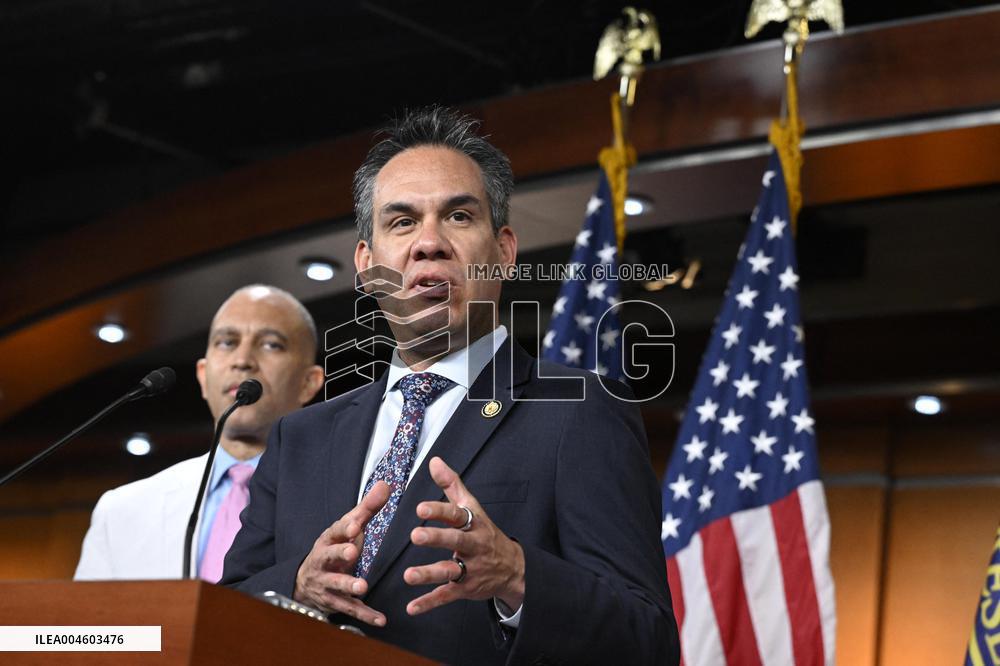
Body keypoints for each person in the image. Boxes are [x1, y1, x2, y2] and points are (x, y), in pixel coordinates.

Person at [222, 107, 680, 665]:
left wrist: (518, 577)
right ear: (367, 267)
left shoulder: (579, 412)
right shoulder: (301, 436)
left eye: (459, 217)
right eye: (401, 221)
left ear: (504, 253)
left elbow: (649, 639)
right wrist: (297, 585)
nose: (429, 243)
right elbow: (226, 611)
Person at [74, 285, 324, 581]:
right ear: (203, 377)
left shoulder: (340, 504)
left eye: (271, 345)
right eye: (227, 342)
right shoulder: (121, 511)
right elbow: (86, 626)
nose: (242, 360)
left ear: (309, 383)